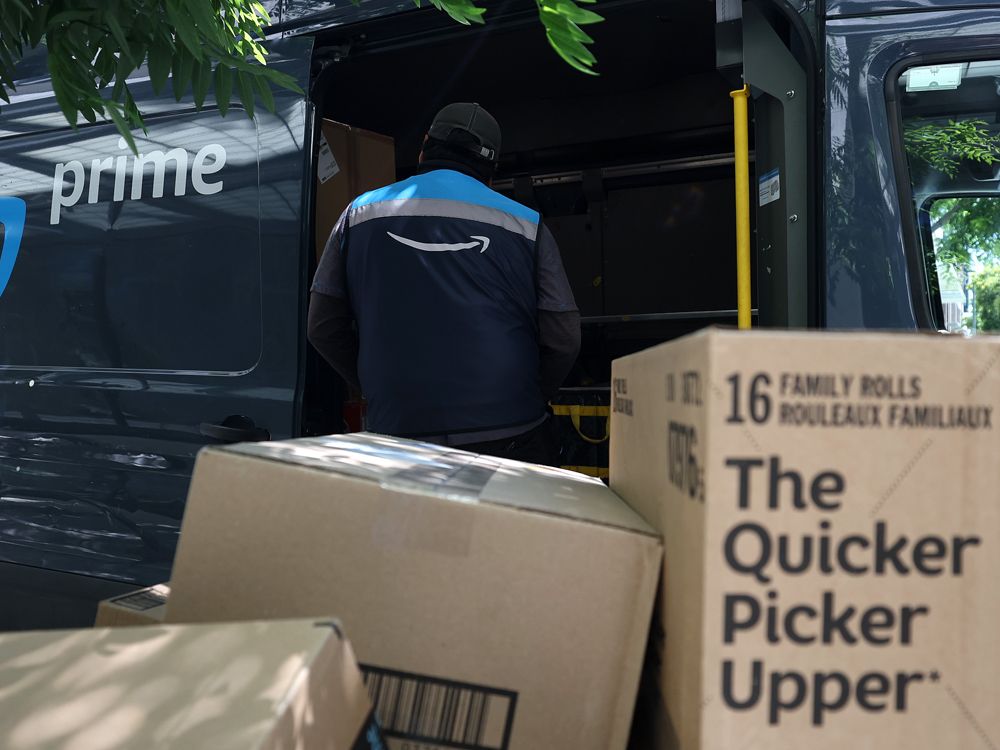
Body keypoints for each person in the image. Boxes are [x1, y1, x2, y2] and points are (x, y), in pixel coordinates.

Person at [308, 102, 580, 465]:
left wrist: (378, 385)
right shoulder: (526, 226)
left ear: (424, 146)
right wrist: (528, 393)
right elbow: (564, 337)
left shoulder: (358, 215)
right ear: (491, 171)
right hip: (511, 434)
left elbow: (321, 326)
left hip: (398, 434)